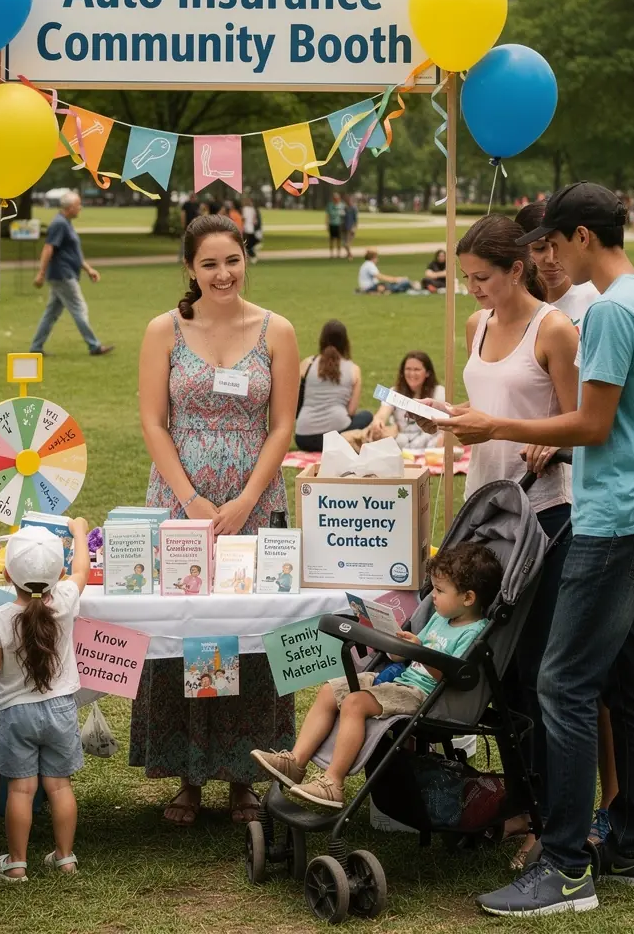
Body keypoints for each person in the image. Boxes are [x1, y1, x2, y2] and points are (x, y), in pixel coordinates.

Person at [438, 183, 634, 916]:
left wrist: (498, 431)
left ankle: (567, 867)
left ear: (582, 236)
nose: (546, 258)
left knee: (563, 687)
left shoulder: (606, 310)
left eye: (552, 244)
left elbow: (591, 425)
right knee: (626, 686)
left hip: (609, 519)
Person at [134, 213, 299, 826]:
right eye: (209, 263)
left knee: (250, 632)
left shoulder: (277, 329)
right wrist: (193, 503)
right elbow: (153, 421)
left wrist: (248, 500)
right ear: (190, 268)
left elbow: (282, 424)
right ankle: (188, 772)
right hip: (182, 504)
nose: (223, 273)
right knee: (190, 630)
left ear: (245, 259)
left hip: (255, 504)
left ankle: (245, 773)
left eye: (232, 260)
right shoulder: (165, 330)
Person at [251, 542, 502, 808]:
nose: (433, 597)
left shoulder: (473, 632)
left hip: (423, 694)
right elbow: (408, 655)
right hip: (398, 677)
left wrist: (419, 652)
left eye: (440, 591)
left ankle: (333, 783)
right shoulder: (441, 618)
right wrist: (399, 645)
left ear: (468, 598)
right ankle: (296, 762)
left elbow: (452, 675)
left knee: (354, 703)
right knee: (329, 691)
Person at [0, 521, 89, 881]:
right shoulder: (66, 601)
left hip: (15, 714)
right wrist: (79, 533)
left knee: (21, 789)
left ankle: (16, 862)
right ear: (59, 573)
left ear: (8, 575)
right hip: (60, 710)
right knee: (60, 786)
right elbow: (82, 570)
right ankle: (65, 857)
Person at [30, 192, 114, 357]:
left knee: (51, 313)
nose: (80, 208)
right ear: (69, 208)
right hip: (63, 275)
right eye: (78, 205)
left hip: (64, 274)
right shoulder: (59, 224)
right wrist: (41, 273)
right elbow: (48, 248)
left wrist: (88, 269)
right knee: (79, 308)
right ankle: (94, 345)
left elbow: (72, 253)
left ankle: (36, 347)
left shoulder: (65, 223)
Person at [517, 202, 599, 330]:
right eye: (539, 248)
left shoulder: (596, 302)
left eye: (558, 246)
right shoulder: (508, 305)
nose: (551, 259)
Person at [294, 320, 374, 452]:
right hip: (337, 436)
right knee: (367, 416)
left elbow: (295, 399)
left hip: (303, 438)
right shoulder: (354, 370)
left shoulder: (307, 364)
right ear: (345, 343)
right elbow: (351, 411)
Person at [365, 351, 445, 449]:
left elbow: (445, 423)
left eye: (417, 369)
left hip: (430, 442)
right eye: (408, 369)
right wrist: (378, 422)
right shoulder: (394, 392)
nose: (412, 373)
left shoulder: (438, 392)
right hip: (401, 442)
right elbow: (382, 413)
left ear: (427, 373)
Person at [326, 193, 345, 258]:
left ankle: (338, 254)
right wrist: (327, 225)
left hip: (339, 224)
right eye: (334, 198)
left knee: (339, 240)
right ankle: (331, 254)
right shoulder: (330, 205)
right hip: (332, 224)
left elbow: (344, 216)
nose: (336, 199)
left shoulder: (342, 205)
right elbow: (327, 215)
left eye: (337, 198)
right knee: (332, 240)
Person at [241, 197, 259, 262]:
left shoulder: (245, 209)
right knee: (249, 243)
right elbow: (255, 220)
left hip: (246, 228)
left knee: (247, 244)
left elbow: (244, 219)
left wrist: (242, 227)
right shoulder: (252, 209)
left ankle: (252, 255)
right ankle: (251, 255)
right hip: (251, 228)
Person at [342, 195, 358, 259]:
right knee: (344, 243)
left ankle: (350, 255)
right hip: (345, 228)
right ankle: (349, 254)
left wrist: (354, 228)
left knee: (346, 243)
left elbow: (355, 219)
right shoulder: (345, 208)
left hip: (350, 228)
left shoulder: (354, 208)